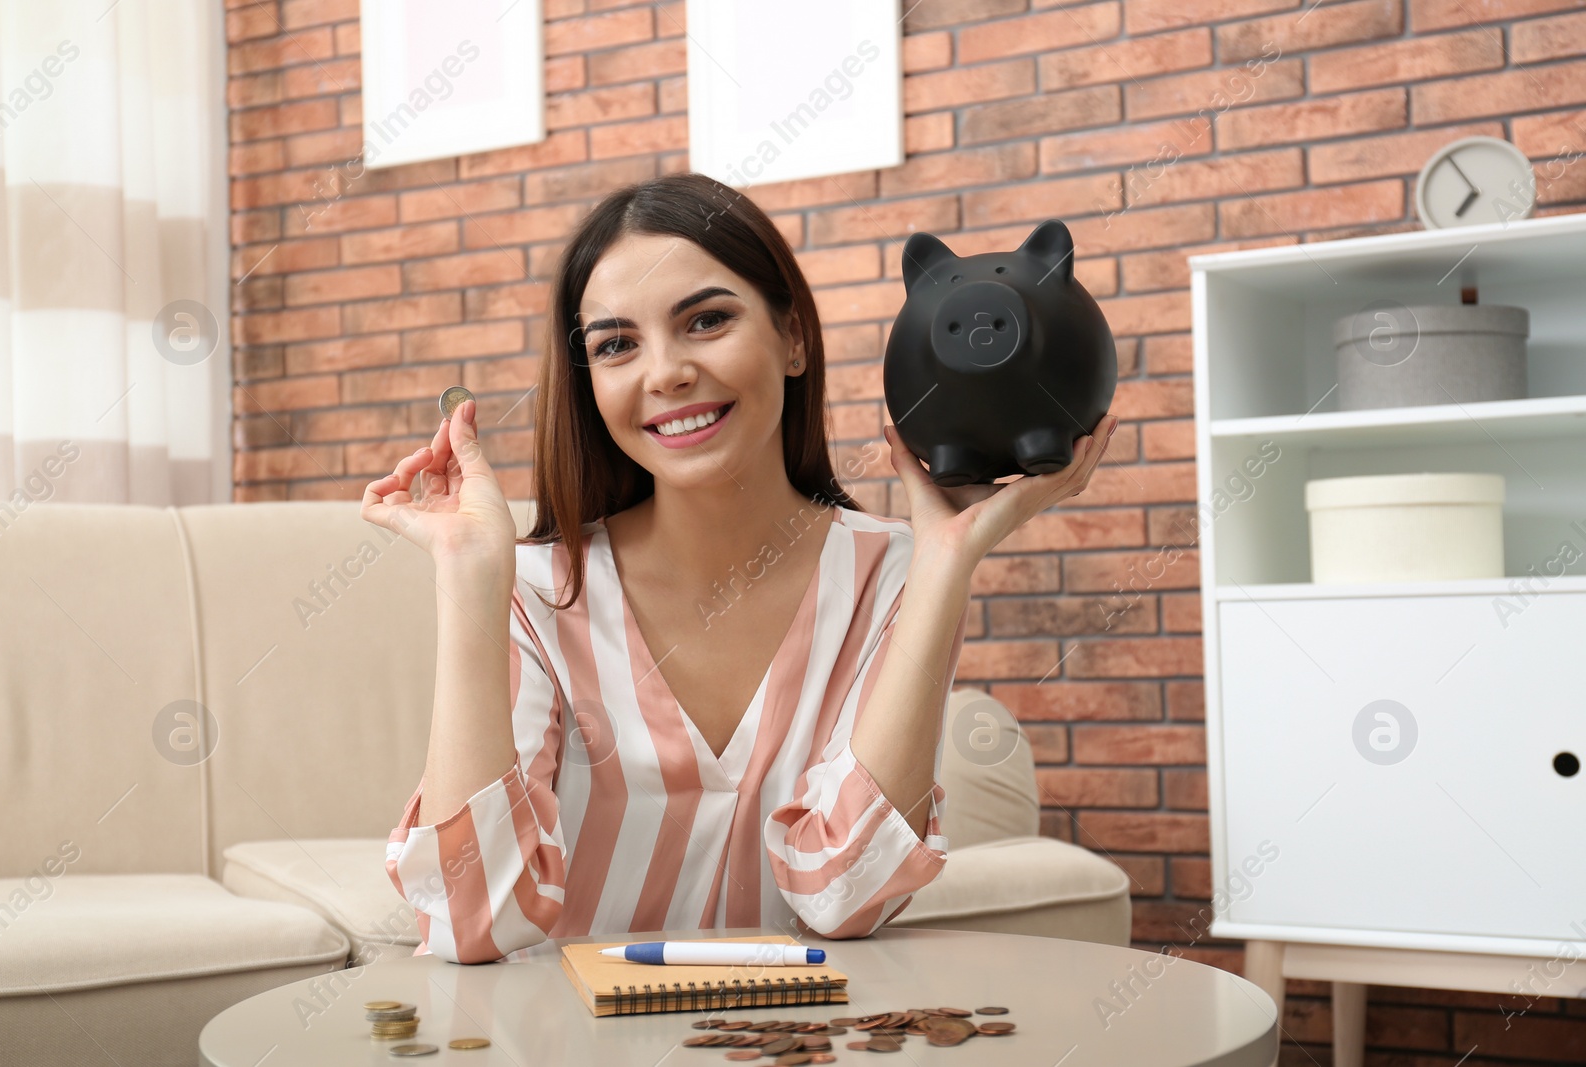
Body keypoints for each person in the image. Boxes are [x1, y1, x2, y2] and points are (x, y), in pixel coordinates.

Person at [359, 173, 1118, 964]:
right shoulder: (535, 590)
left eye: (707, 320)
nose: (666, 373)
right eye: (616, 344)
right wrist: (471, 580)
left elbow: (843, 895)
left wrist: (945, 561)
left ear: (793, 337)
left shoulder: (897, 572)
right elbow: (471, 921)